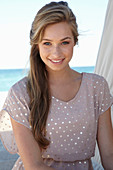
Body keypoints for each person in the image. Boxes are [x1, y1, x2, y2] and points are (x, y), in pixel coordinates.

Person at [0, 1, 113, 170]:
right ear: (36, 45)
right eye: (47, 43)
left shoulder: (97, 87)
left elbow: (109, 154)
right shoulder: (20, 93)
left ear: (75, 41)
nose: (56, 53)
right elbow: (34, 166)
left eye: (64, 42)